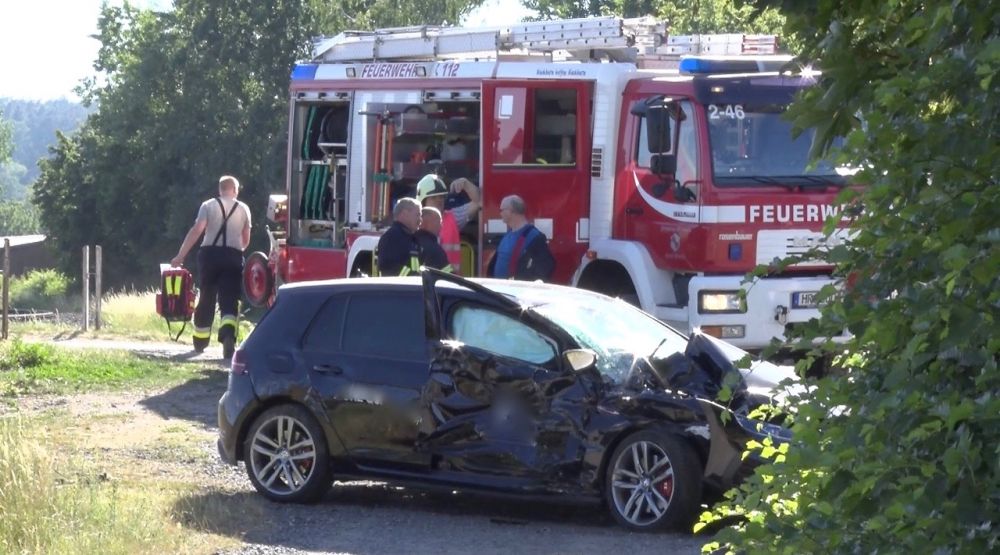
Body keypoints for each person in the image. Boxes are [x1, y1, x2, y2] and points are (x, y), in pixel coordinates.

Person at [171, 175, 251, 358]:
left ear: (220, 189)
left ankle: (200, 341)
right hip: (233, 256)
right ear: (235, 190)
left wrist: (180, 256)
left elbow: (196, 231)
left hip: (209, 255)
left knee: (207, 295)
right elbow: (246, 240)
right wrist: (235, 250)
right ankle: (228, 337)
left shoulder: (208, 205)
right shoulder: (244, 209)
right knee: (230, 299)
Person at [416, 174, 480, 272]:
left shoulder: (453, 217)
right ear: (422, 201)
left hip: (450, 278)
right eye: (433, 197)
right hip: (423, 278)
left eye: (441, 197)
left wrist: (465, 183)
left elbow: (478, 202)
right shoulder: (413, 221)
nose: (439, 200)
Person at [486, 195, 555, 281]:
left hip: (516, 288)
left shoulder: (535, 237)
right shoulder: (507, 235)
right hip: (499, 287)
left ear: (511, 211)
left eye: (502, 210)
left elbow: (546, 266)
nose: (500, 213)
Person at [376, 197, 422, 276]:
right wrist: (413, 277)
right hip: (401, 284)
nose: (420, 220)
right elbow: (390, 269)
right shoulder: (391, 238)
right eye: (417, 215)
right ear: (404, 214)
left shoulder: (409, 237)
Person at [414, 206, 453, 272]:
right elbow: (448, 274)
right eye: (439, 222)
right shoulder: (436, 249)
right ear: (425, 223)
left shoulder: (407, 243)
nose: (441, 226)